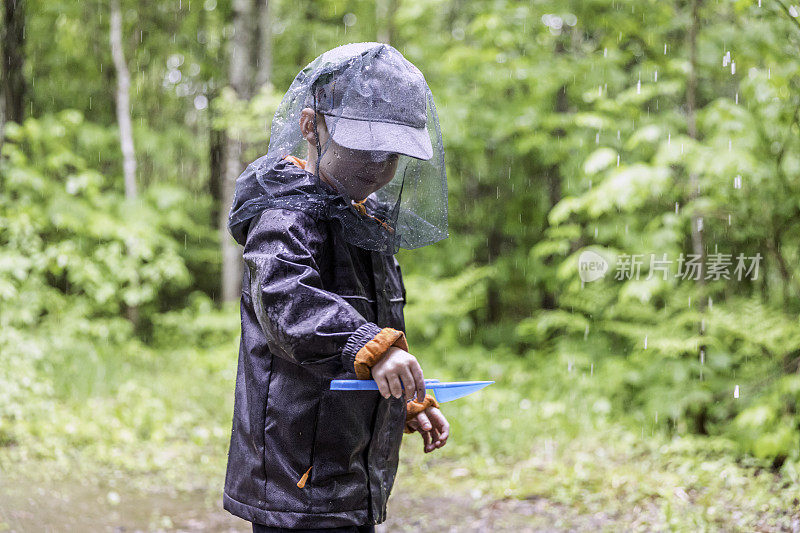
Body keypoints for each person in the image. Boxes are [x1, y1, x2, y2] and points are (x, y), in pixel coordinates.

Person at [223, 42, 450, 532]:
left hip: (350, 466)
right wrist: (368, 346)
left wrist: (403, 396)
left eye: (392, 153)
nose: (377, 166)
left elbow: (376, 335)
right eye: (365, 148)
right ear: (311, 126)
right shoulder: (283, 212)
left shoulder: (367, 221)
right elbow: (287, 302)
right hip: (296, 474)